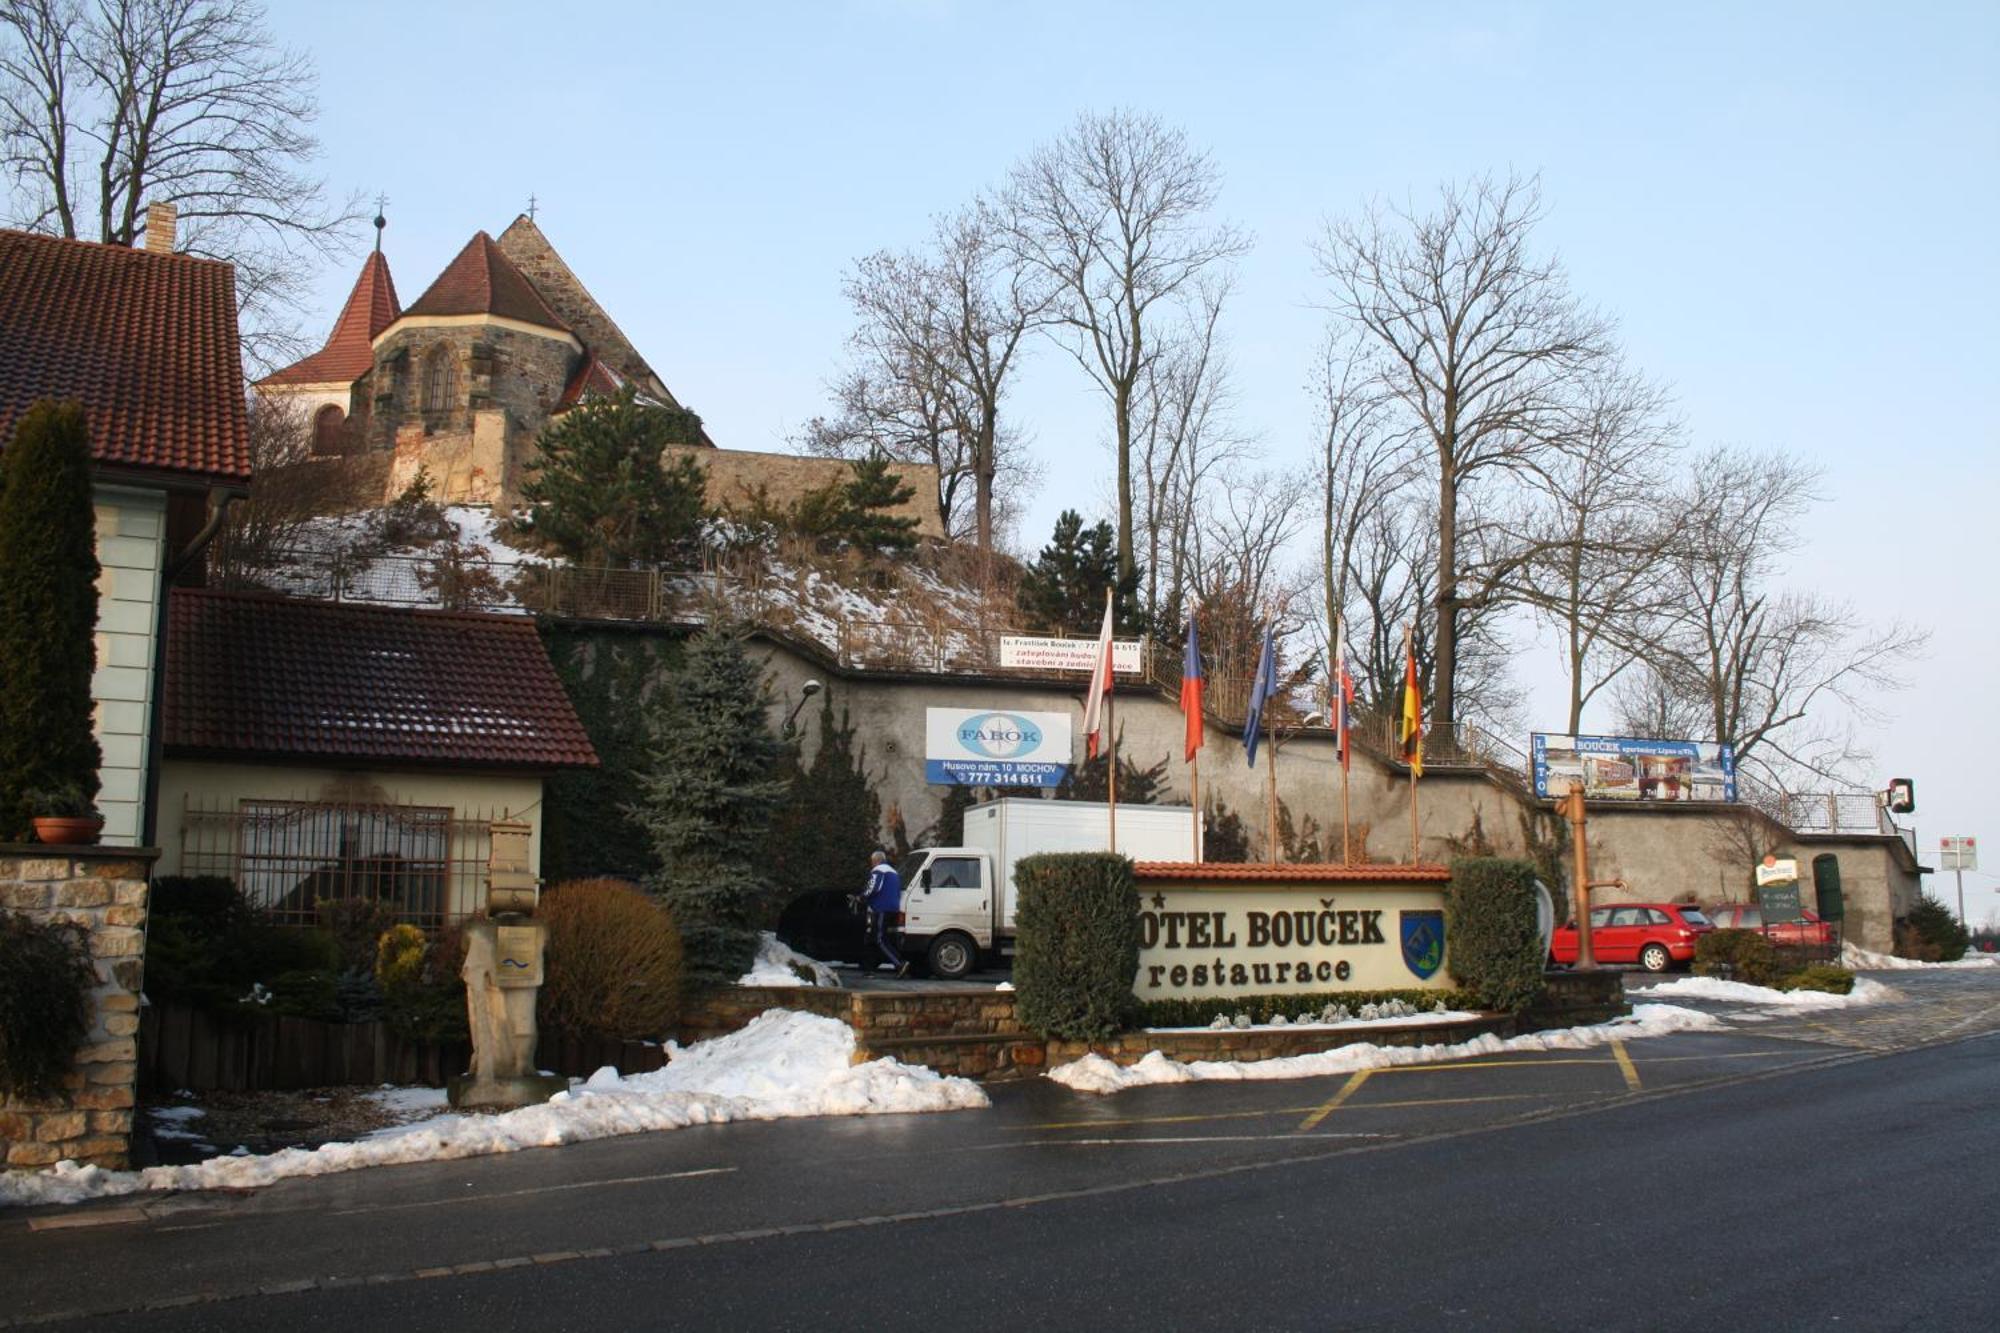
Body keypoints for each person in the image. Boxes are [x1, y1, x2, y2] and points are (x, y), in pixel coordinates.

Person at [861, 850, 908, 977]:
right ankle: (870, 969)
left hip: (882, 908)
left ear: (875, 861)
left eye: (872, 862)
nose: (871, 864)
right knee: (881, 939)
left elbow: (873, 887)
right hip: (893, 908)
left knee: (879, 939)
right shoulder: (894, 873)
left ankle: (899, 963)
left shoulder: (878, 871)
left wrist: (862, 897)